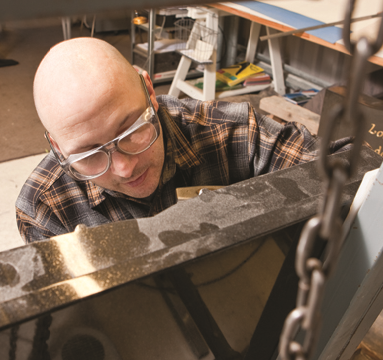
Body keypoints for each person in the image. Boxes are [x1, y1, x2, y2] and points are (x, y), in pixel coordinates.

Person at [16, 38, 349, 244]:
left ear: (149, 91)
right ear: (58, 149)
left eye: (130, 131)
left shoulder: (232, 132)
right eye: (88, 155)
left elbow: (350, 173)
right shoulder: (45, 209)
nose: (124, 166)